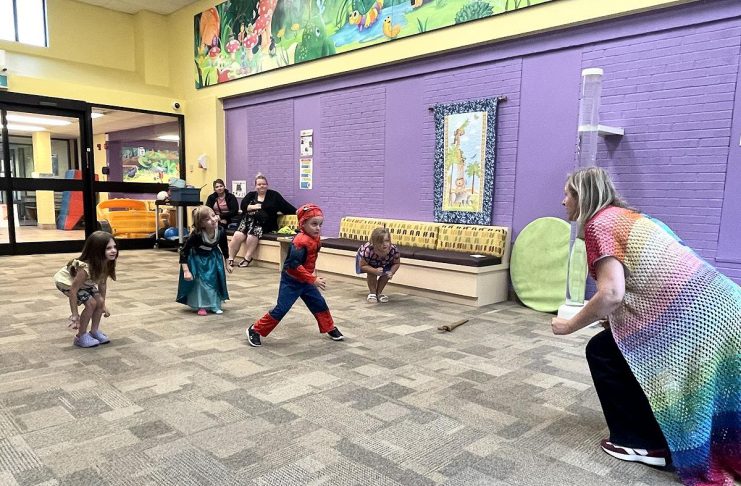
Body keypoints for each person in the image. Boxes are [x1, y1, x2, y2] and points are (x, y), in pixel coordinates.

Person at [551, 166, 740, 486]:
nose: (562, 201)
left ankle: (638, 441)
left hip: (698, 318)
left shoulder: (599, 225)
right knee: (618, 348)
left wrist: (570, 325)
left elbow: (611, 293)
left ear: (583, 197)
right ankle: (658, 437)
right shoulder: (629, 217)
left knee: (602, 351)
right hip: (724, 304)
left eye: (567, 194)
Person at [246, 203, 344, 347]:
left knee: (319, 304)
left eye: (320, 224)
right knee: (282, 308)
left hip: (306, 280)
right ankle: (255, 330)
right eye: (314, 224)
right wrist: (313, 279)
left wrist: (311, 276)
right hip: (291, 281)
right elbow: (294, 265)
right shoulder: (300, 241)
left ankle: (329, 327)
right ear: (303, 224)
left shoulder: (315, 239)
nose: (318, 228)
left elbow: (310, 260)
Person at [53, 231, 118, 348]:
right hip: (66, 282)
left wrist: (103, 304)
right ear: (96, 251)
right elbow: (73, 290)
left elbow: (102, 284)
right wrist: (75, 315)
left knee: (99, 302)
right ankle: (80, 336)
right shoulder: (85, 269)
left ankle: (94, 331)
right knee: (91, 303)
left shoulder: (106, 263)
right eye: (108, 248)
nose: (113, 250)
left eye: (114, 247)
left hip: (86, 283)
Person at [227, 173, 296, 269]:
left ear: (267, 185)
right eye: (259, 184)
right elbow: (243, 206)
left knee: (252, 235)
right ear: (255, 186)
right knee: (237, 235)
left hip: (265, 223)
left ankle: (247, 258)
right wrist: (255, 207)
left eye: (264, 184)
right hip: (247, 221)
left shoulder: (274, 195)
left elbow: (286, 206)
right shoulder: (251, 195)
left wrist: (298, 212)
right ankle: (230, 258)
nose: (261, 186)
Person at [176, 206, 232, 315]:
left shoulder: (220, 231)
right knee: (200, 283)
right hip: (197, 259)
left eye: (213, 215)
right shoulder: (196, 235)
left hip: (213, 258)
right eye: (207, 219)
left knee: (214, 281)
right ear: (201, 224)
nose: (213, 219)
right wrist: (186, 271)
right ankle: (201, 305)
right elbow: (184, 251)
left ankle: (214, 304)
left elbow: (224, 247)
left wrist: (227, 263)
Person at [356, 227, 401, 303]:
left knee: (386, 274)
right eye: (380, 242)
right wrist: (374, 270)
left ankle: (379, 293)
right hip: (368, 262)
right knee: (372, 273)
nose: (384, 244)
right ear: (374, 242)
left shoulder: (393, 250)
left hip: (385, 262)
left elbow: (396, 263)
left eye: (387, 241)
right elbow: (363, 266)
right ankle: (372, 293)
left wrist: (392, 272)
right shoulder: (368, 249)